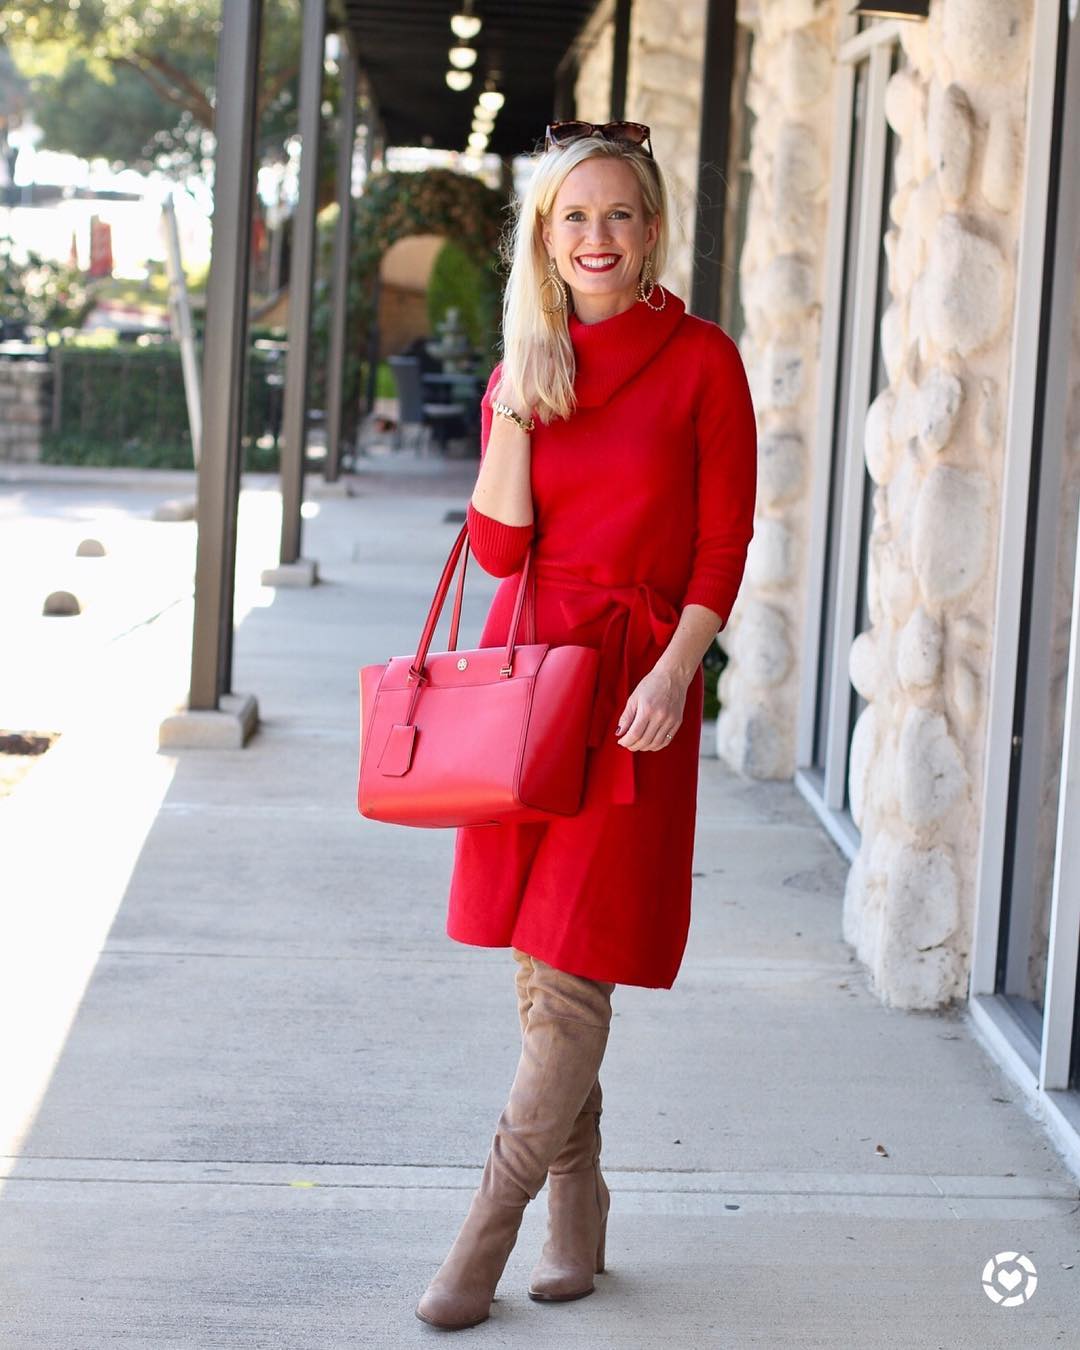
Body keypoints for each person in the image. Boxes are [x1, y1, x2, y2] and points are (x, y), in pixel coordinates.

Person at [415, 120, 758, 1331]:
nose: (598, 237)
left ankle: (482, 1237)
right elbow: (501, 550)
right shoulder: (531, 366)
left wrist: (676, 673)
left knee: (574, 968)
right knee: (544, 969)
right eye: (574, 218)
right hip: (532, 683)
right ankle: (581, 1208)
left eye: (619, 214)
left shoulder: (706, 360)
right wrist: (517, 389)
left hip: (637, 689)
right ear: (546, 242)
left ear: (653, 228)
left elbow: (724, 541)